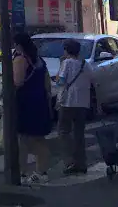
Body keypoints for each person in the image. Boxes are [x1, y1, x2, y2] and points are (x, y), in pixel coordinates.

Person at [12, 31, 54, 184]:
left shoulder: (20, 60)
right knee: (39, 138)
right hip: (40, 101)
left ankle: (22, 173)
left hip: (25, 102)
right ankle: (41, 171)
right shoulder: (39, 60)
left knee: (23, 139)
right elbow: (47, 83)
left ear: (18, 45)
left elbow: (17, 82)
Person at [55, 38, 91, 175]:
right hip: (83, 102)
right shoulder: (84, 64)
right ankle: (81, 162)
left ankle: (69, 161)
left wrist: (58, 75)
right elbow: (92, 78)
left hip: (68, 102)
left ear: (66, 50)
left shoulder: (66, 63)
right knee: (79, 133)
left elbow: (61, 81)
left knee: (63, 131)